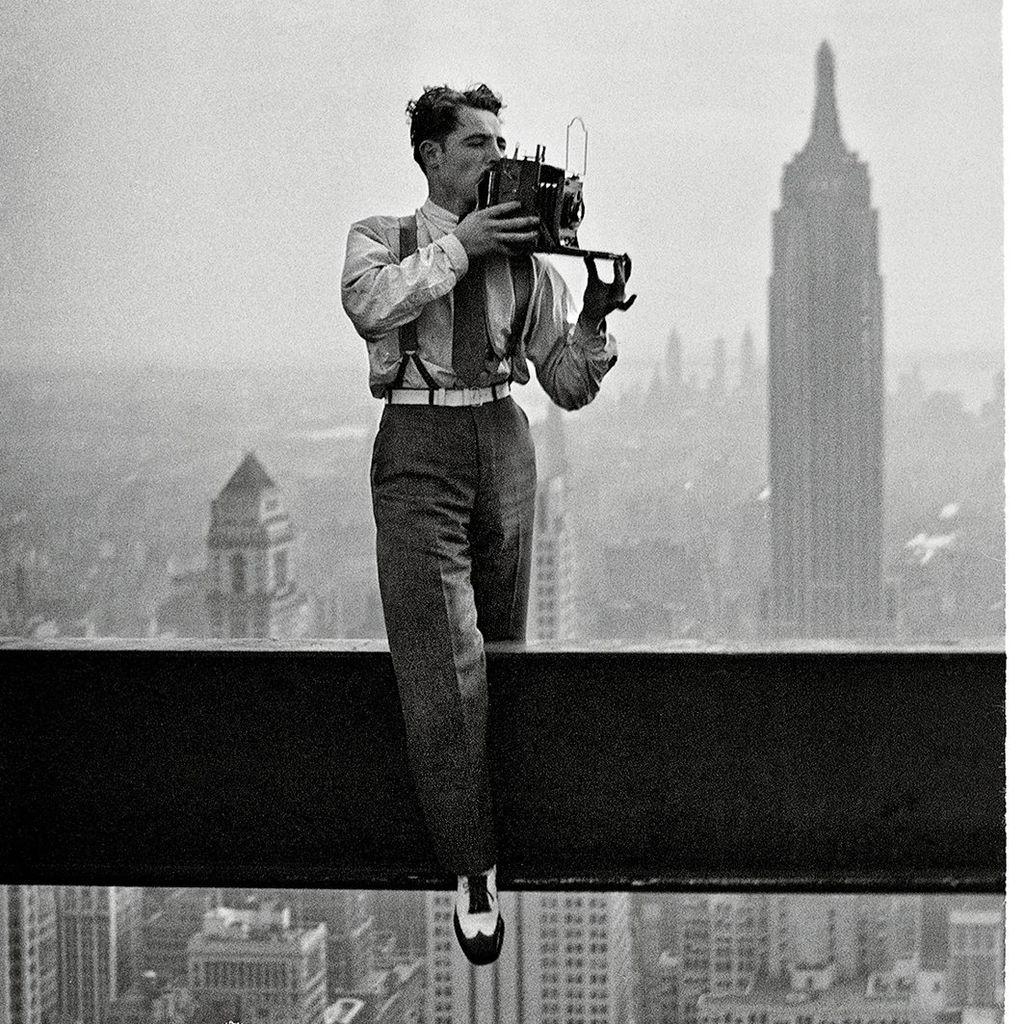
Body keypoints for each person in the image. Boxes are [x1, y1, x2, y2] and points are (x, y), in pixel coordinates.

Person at [341, 83, 634, 965]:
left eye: (500, 142)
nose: (496, 158)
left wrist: (590, 317)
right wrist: (459, 249)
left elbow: (568, 387)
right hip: (419, 439)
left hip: (504, 439)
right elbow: (369, 305)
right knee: (445, 659)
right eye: (476, 145)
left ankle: (500, 819)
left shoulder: (529, 264)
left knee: (501, 651)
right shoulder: (382, 237)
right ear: (432, 156)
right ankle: (474, 866)